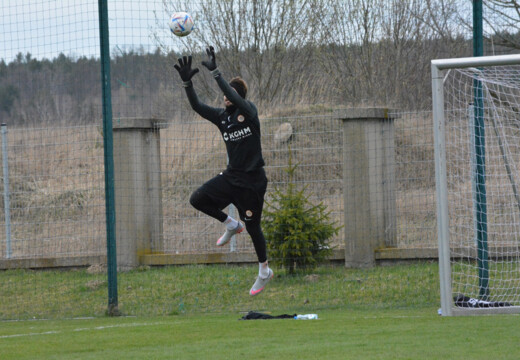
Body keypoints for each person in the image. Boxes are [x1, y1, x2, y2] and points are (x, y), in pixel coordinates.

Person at [173, 46, 273, 296]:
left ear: (239, 97)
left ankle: (264, 271)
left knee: (254, 228)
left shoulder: (249, 112)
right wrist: (187, 83)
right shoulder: (222, 117)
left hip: (253, 182)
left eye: (231, 94)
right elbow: (197, 106)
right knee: (197, 199)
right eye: (225, 95)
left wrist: (216, 73)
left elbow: (232, 93)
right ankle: (230, 223)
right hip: (232, 177)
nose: (225, 98)